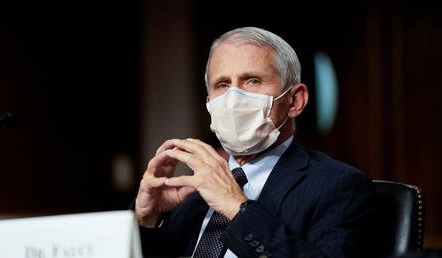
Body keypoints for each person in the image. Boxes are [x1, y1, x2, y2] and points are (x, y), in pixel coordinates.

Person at [133, 27, 375, 258]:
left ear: (294, 101)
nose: (234, 98)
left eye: (252, 81)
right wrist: (147, 220)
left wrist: (237, 208)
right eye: (223, 85)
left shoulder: (339, 186)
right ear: (209, 103)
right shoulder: (192, 193)